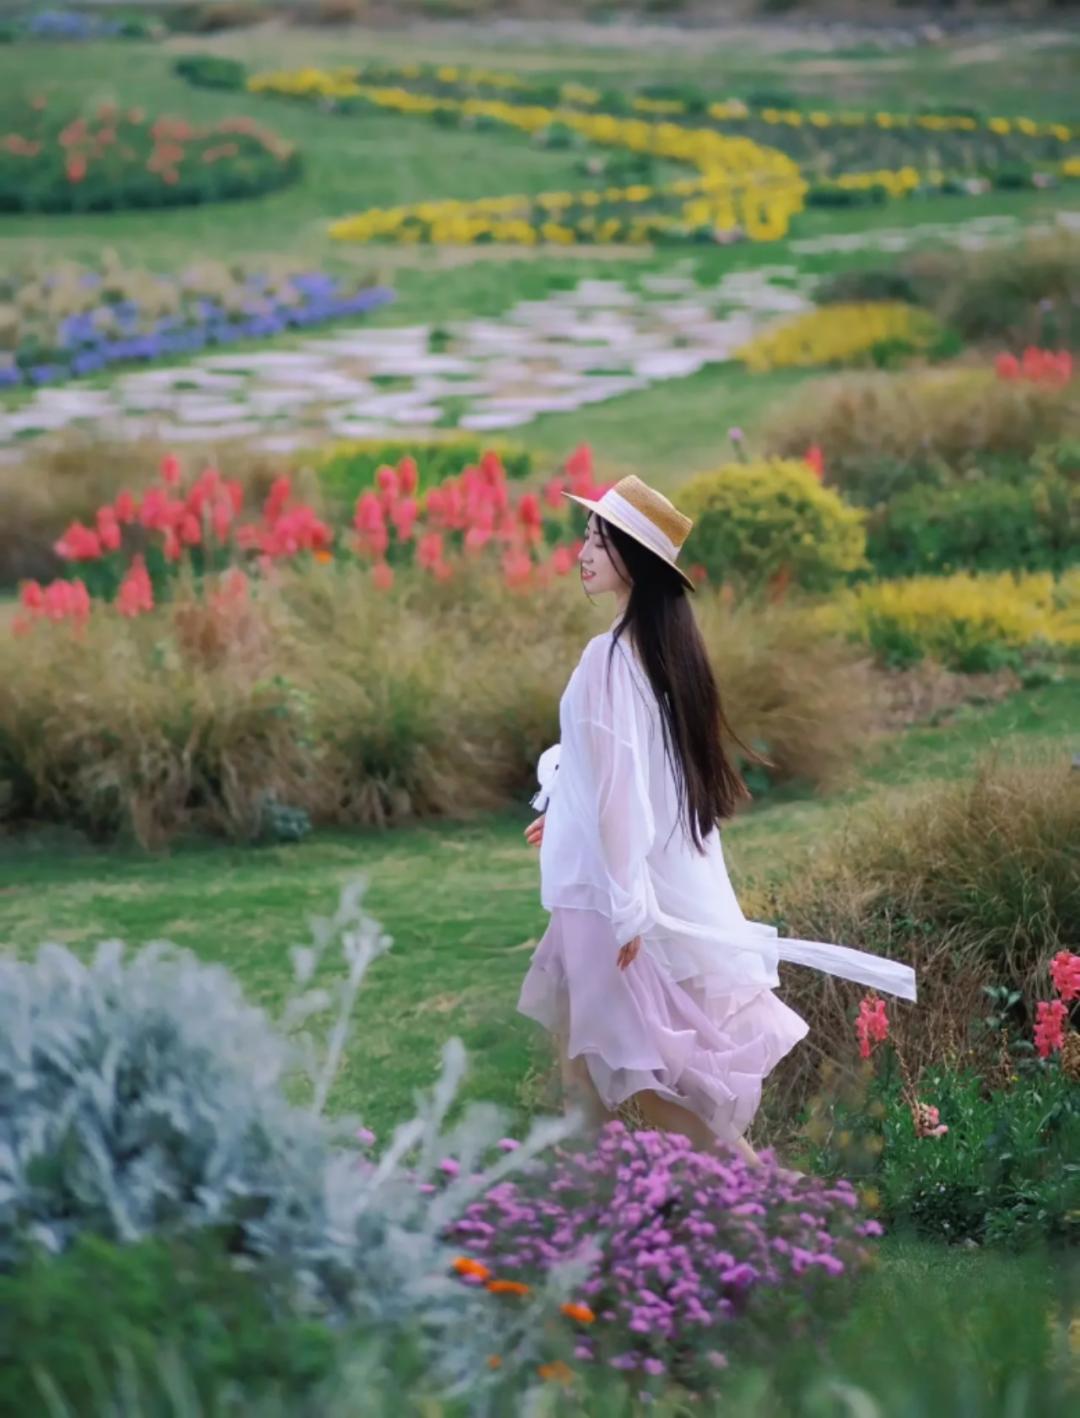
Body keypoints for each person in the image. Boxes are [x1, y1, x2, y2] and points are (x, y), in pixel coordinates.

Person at [517, 474, 916, 1165]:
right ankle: (595, 1203)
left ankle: (751, 1189)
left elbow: (620, 790)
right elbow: (619, 775)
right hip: (605, 884)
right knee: (582, 1059)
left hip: (608, 896)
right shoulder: (656, 654)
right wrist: (563, 810)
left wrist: (626, 908)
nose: (582, 551)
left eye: (599, 540)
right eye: (585, 534)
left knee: (624, 1071)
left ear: (633, 561)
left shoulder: (610, 658)